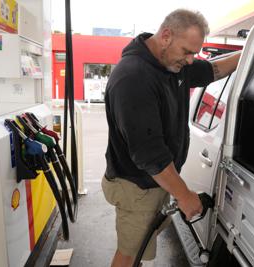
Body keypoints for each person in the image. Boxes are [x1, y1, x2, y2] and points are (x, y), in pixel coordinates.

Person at [102, 8, 241, 267]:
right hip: (136, 186)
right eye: (187, 52)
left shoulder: (172, 65)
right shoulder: (134, 77)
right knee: (130, 252)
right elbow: (149, 154)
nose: (189, 60)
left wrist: (248, 53)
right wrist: (184, 195)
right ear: (166, 35)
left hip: (153, 182)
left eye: (194, 54)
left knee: (141, 248)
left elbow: (212, 70)